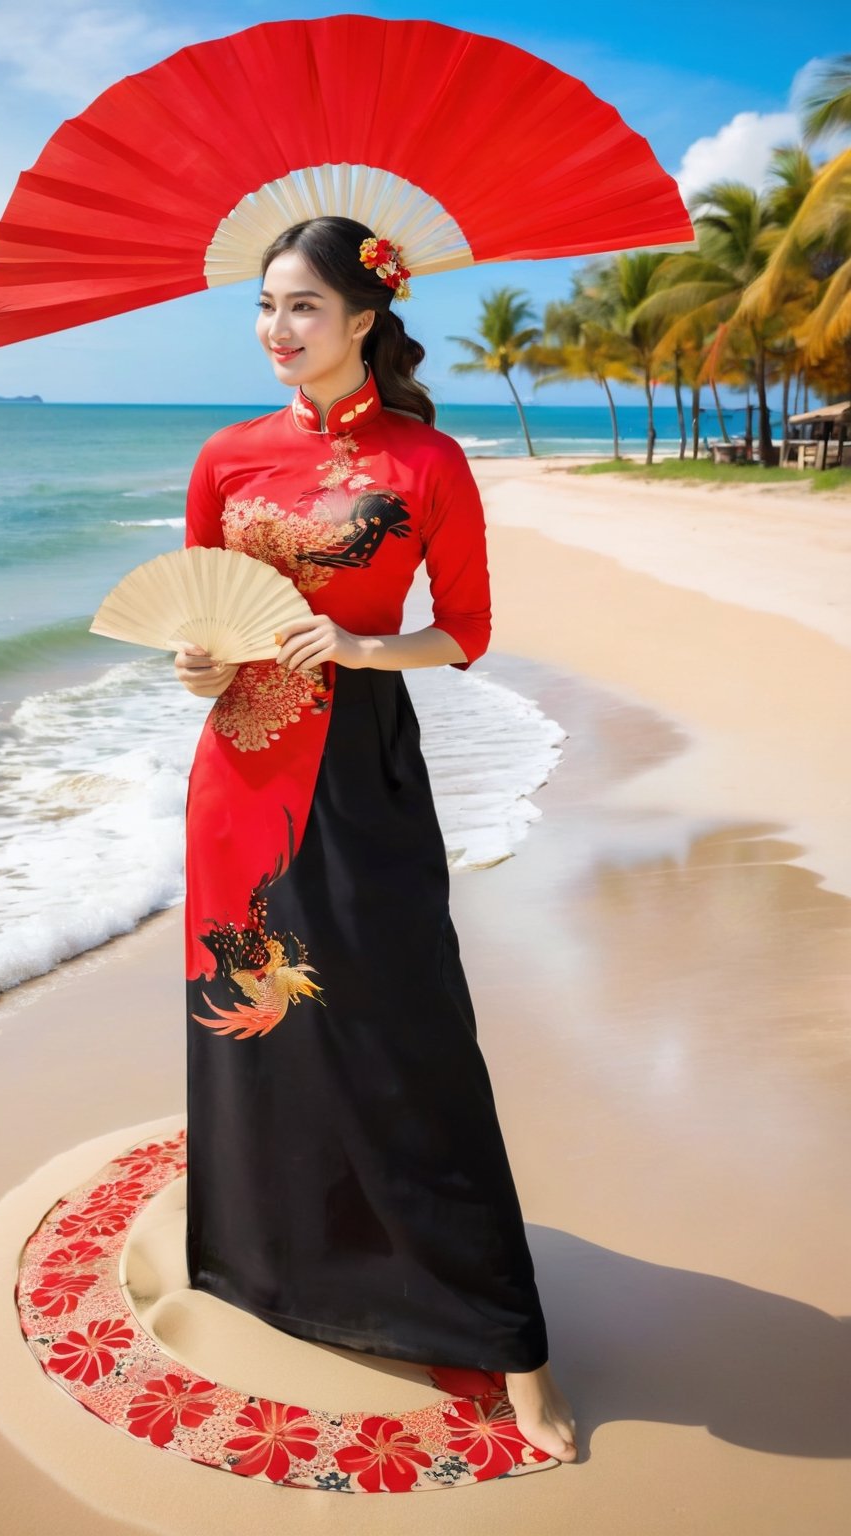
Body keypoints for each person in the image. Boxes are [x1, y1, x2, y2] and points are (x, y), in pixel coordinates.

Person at [173, 214, 576, 1464]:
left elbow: (465, 628)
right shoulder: (224, 456)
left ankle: (514, 1352)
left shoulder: (426, 463)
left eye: (301, 306)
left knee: (410, 1040)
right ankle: (270, 1266)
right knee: (256, 1016)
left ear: (363, 318)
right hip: (236, 769)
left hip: (360, 771)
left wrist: (356, 647)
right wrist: (196, 665)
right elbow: (199, 634)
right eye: (263, 307)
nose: (276, 331)